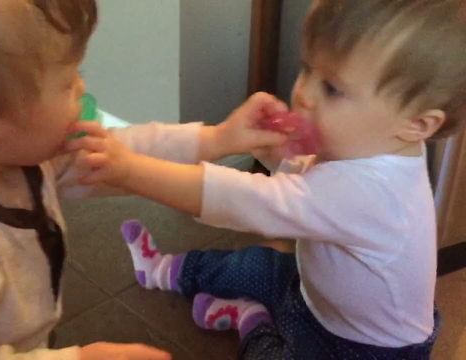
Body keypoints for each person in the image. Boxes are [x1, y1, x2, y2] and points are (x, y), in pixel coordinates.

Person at [0, 0, 287, 359]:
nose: (83, 93)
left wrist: (218, 138)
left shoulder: (8, 153)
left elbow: (117, 151)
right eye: (68, 82)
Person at [67, 0, 466, 358]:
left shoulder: (376, 192)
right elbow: (313, 199)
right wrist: (283, 163)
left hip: (356, 348)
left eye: (332, 88)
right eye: (308, 68)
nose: (303, 93)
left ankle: (251, 323)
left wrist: (132, 171)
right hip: (311, 293)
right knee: (254, 264)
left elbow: (250, 202)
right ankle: (163, 270)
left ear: (417, 123)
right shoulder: (371, 148)